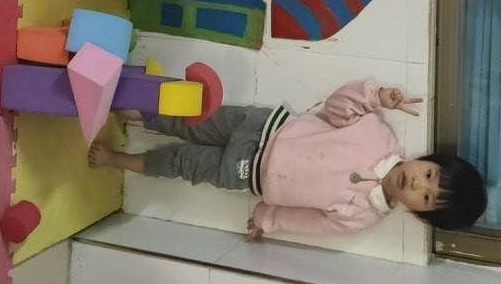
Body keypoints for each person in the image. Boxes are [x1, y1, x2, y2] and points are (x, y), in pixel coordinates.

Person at [87, 80, 487, 238]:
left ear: (420, 215)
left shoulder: (363, 217)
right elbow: (338, 106)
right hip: (260, 127)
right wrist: (376, 96)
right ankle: (133, 110)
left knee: (181, 164)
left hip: (247, 175)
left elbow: (311, 222)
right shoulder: (378, 134)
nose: (418, 183)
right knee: (193, 119)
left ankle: (117, 159)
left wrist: (267, 219)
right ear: (427, 160)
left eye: (427, 197)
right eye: (430, 174)